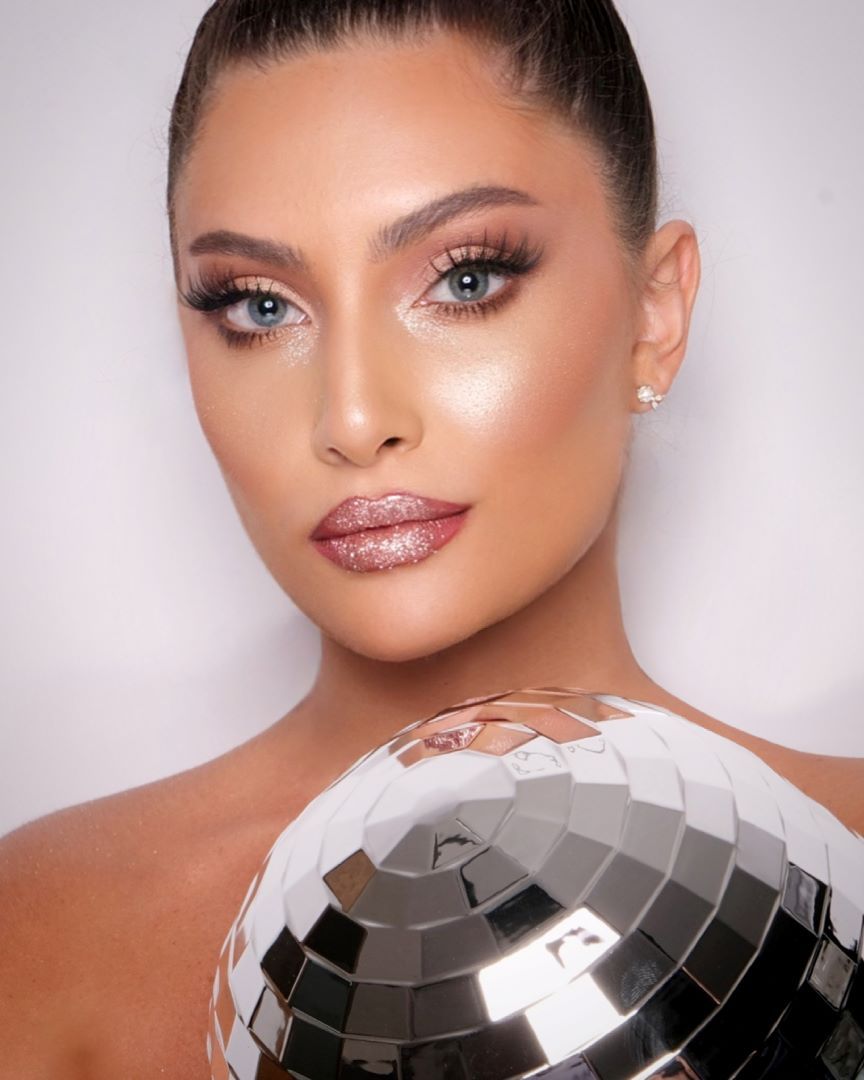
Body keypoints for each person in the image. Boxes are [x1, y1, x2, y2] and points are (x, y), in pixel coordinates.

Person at [0, 0, 861, 1076]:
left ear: (655, 314)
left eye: (465, 279)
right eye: (259, 307)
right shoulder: (46, 938)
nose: (354, 419)